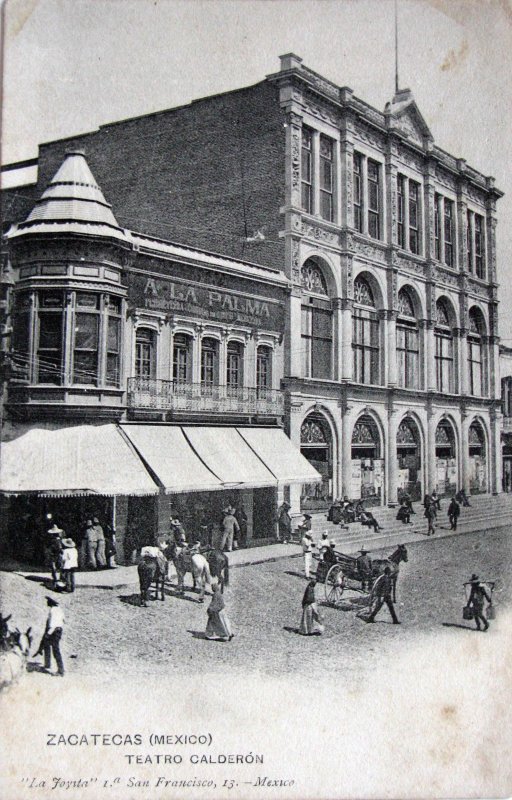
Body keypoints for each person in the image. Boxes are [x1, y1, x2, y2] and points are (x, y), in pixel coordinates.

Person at [34, 596, 65, 676]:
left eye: (48, 601)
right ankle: (48, 664)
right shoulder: (59, 610)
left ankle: (60, 670)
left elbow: (52, 625)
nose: (47, 602)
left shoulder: (52, 610)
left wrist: (48, 634)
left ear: (51, 602)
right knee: (47, 645)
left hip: (53, 631)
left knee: (55, 650)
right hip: (58, 630)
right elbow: (63, 620)